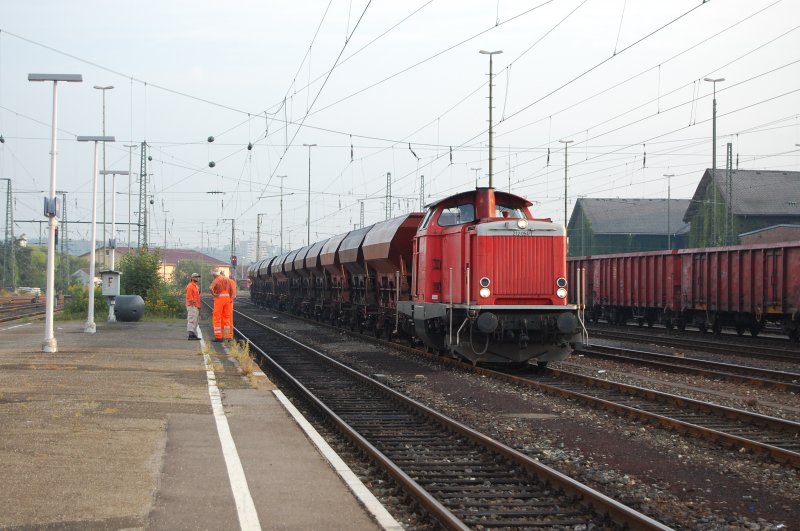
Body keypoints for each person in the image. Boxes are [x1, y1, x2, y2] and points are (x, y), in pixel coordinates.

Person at [209, 270, 231, 342]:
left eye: (213, 275)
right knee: (226, 318)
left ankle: (219, 337)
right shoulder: (227, 279)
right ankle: (227, 336)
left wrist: (214, 294)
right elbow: (231, 290)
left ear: (214, 275)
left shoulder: (216, 280)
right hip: (227, 299)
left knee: (217, 317)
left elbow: (210, 288)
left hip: (219, 299)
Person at [185, 273, 202, 340]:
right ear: (192, 278)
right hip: (192, 305)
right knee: (191, 320)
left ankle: (192, 334)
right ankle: (190, 335)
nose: (197, 278)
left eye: (198, 277)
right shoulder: (190, 286)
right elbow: (189, 297)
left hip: (195, 306)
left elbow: (197, 297)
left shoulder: (195, 286)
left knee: (195, 321)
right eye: (195, 277)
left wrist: (198, 305)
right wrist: (194, 304)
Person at [223, 270, 237, 340]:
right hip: (225, 304)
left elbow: (233, 294)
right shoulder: (223, 282)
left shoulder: (230, 282)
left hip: (228, 304)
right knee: (226, 320)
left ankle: (228, 335)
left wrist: (229, 301)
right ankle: (226, 335)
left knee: (228, 320)